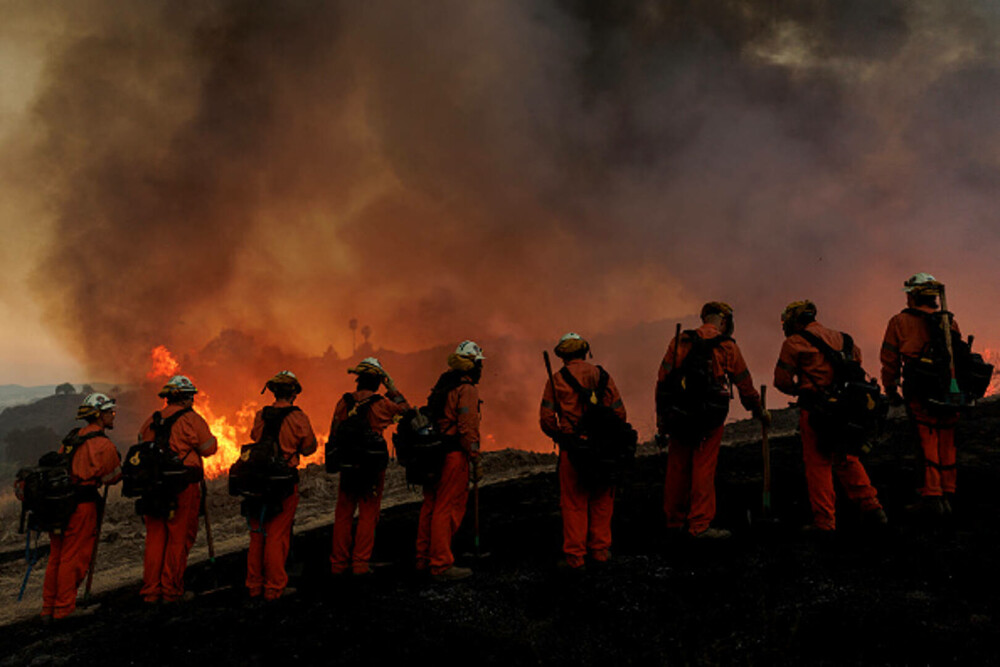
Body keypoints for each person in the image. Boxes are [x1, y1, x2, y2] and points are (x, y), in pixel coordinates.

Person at [656, 302, 767, 539]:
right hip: (710, 417)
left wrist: (662, 422)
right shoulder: (727, 346)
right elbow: (744, 384)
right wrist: (758, 410)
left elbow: (663, 382)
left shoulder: (680, 341)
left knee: (677, 468)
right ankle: (699, 525)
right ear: (724, 321)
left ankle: (674, 521)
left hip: (679, 415)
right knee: (703, 467)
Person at [774, 300, 887, 531]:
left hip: (816, 411)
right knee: (847, 459)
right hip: (848, 410)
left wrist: (799, 390)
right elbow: (855, 368)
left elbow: (782, 381)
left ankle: (825, 522)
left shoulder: (794, 343)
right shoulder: (845, 339)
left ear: (794, 321)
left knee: (818, 464)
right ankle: (872, 507)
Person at [540, 332, 627, 571]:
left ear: (563, 356)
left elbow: (546, 419)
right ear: (584, 351)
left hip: (573, 449)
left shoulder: (556, 380)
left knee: (573, 502)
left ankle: (575, 557)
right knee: (602, 498)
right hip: (603, 449)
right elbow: (620, 413)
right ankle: (600, 550)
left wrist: (561, 435)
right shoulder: (602, 375)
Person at [880, 273, 961, 517]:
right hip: (948, 390)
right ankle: (948, 491)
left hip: (920, 391)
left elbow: (890, 360)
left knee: (926, 440)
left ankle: (932, 496)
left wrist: (891, 389)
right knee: (947, 441)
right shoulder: (949, 322)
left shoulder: (899, 322)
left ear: (913, 297)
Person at [41, 393, 122, 622]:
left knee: (56, 556)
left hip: (60, 506)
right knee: (73, 557)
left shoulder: (71, 438)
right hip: (82, 507)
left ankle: (49, 608)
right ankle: (65, 608)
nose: (112, 415)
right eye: (109, 412)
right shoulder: (103, 444)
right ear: (98, 415)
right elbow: (113, 477)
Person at [138, 375, 217, 604]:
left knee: (155, 538)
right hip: (183, 486)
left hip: (154, 488)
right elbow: (208, 448)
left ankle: (151, 591)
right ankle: (171, 590)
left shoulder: (151, 421)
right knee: (178, 537)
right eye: (191, 395)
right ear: (186, 397)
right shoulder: (191, 419)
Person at [328, 358, 409, 576]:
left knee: (343, 513)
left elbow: (333, 434)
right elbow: (407, 411)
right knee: (368, 513)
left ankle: (338, 564)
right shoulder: (381, 404)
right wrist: (392, 389)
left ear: (358, 380)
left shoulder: (344, 402)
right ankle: (361, 564)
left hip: (347, 465)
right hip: (371, 468)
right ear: (377, 382)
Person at [415, 340, 484, 582]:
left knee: (431, 507)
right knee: (447, 508)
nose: (481, 369)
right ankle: (441, 564)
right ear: (472, 365)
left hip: (433, 454)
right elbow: (467, 428)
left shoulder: (444, 384)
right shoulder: (466, 389)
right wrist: (475, 457)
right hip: (453, 456)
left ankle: (423, 558)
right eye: (479, 364)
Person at [245, 371, 317, 600]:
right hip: (283, 482)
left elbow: (254, 438)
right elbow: (309, 448)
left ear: (274, 391)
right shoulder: (298, 417)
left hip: (256, 480)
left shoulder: (261, 415)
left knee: (257, 533)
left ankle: (254, 586)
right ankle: (275, 587)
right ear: (294, 393)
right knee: (277, 534)